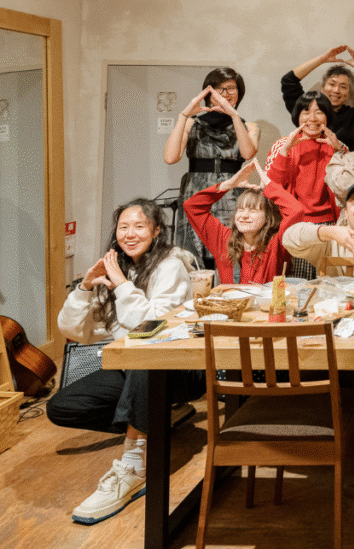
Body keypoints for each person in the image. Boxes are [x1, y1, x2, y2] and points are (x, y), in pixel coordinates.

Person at [47, 199, 204, 524]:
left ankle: (132, 466)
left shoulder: (169, 267)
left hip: (178, 365)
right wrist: (85, 288)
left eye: (139, 226)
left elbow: (152, 329)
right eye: (123, 227)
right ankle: (155, 417)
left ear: (157, 230)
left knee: (143, 357)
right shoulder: (117, 267)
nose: (130, 234)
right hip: (134, 367)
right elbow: (76, 331)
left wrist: (122, 284)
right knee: (62, 406)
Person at [163, 67, 259, 268]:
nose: (225, 94)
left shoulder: (249, 126)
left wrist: (233, 115)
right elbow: (171, 157)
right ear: (208, 92)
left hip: (232, 193)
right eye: (218, 88)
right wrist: (183, 116)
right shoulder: (191, 123)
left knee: (230, 249)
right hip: (196, 191)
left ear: (239, 93)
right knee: (193, 249)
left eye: (231, 88)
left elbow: (247, 154)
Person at [266, 91, 347, 278]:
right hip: (296, 225)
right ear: (297, 116)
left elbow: (347, 188)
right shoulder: (282, 145)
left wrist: (339, 151)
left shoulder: (337, 146)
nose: (312, 118)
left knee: (327, 282)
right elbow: (271, 187)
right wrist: (286, 150)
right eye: (306, 111)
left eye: (319, 112)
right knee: (298, 284)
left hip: (329, 224)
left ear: (328, 116)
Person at [184, 159, 303, 285]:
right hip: (231, 304)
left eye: (252, 210)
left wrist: (269, 186)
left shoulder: (277, 243)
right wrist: (229, 184)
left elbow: (297, 211)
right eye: (240, 209)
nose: (244, 216)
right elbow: (192, 206)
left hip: (265, 304)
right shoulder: (224, 239)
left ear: (268, 217)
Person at [280, 44, 354, 151]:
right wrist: (322, 59)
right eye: (332, 84)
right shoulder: (306, 109)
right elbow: (288, 81)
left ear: (348, 93)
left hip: (343, 168)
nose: (336, 90)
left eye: (343, 87)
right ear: (322, 88)